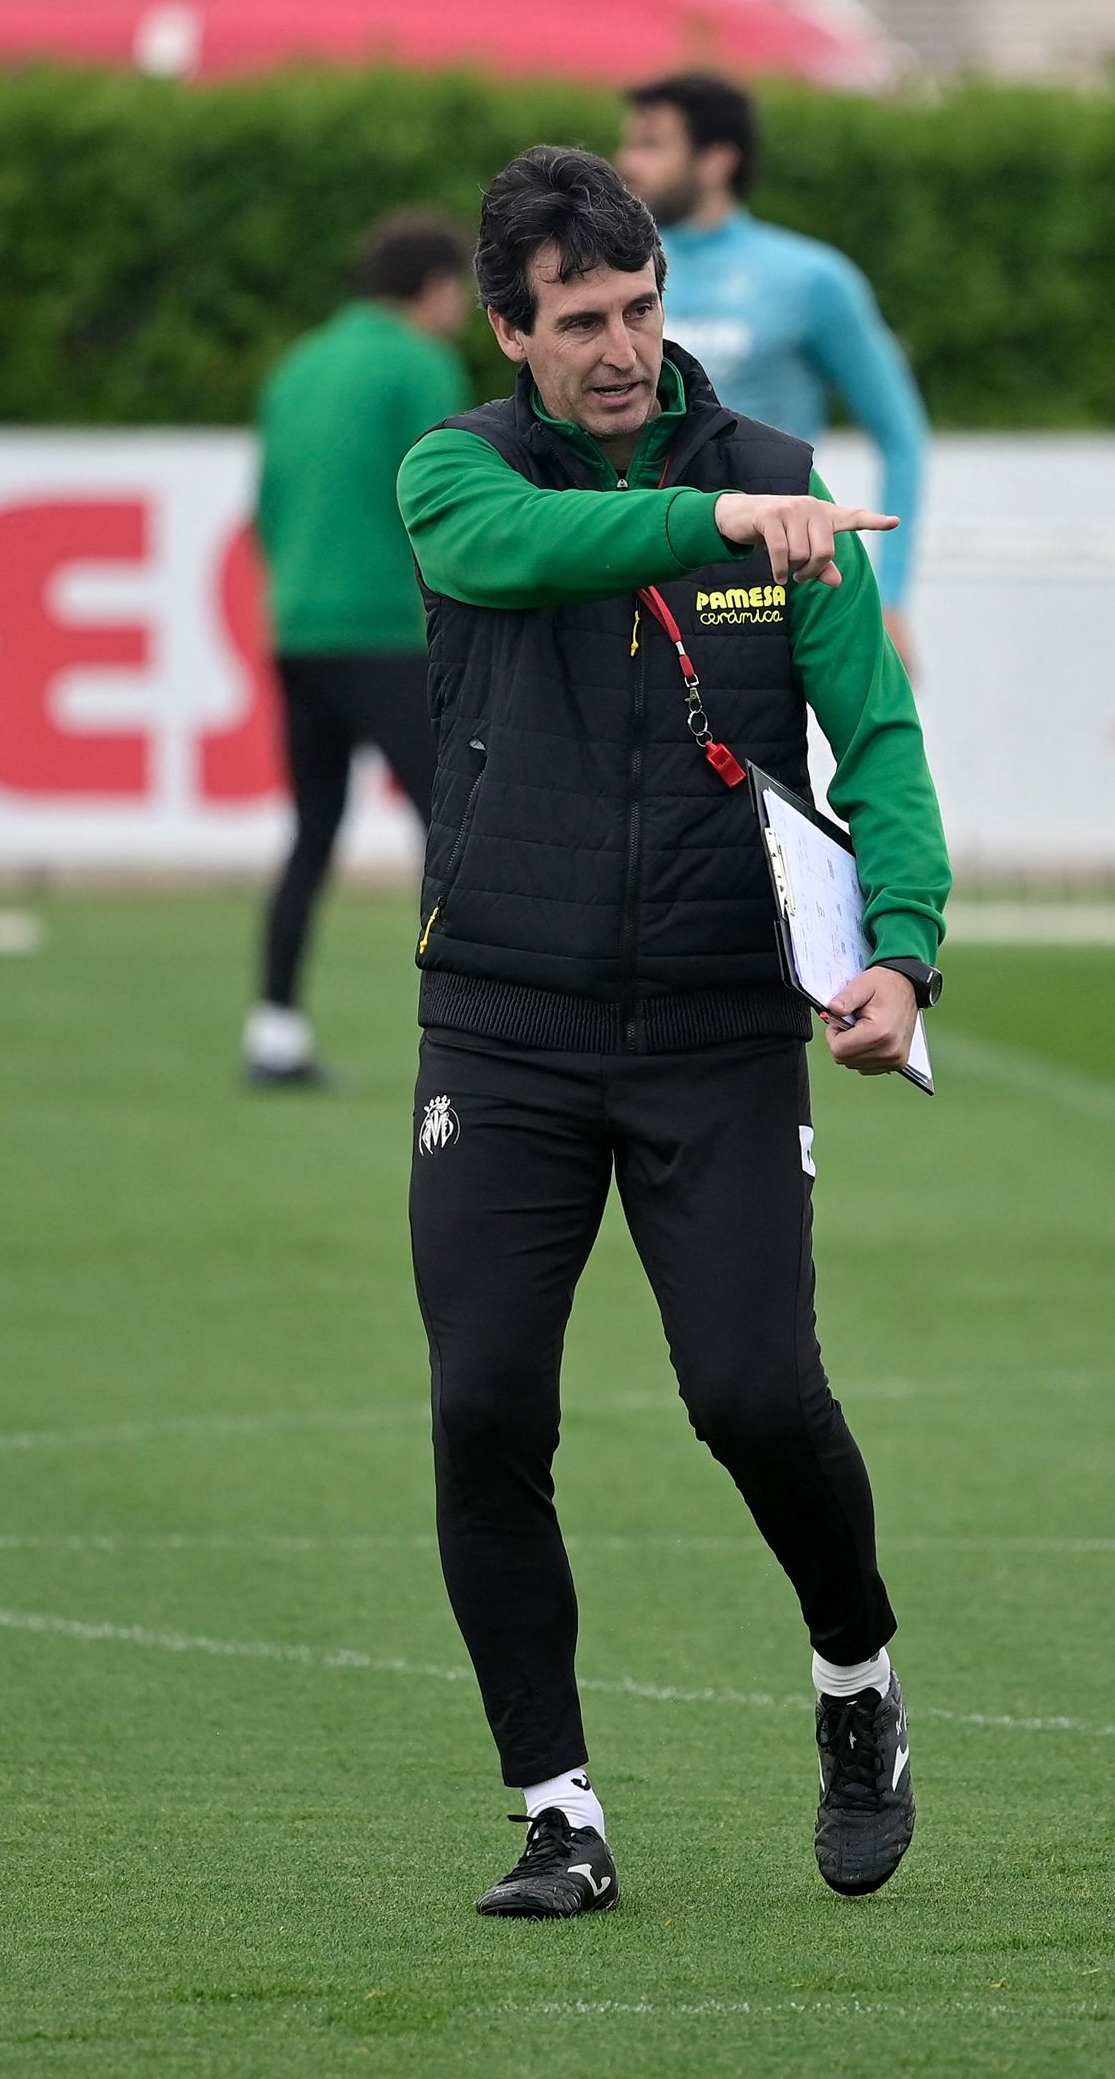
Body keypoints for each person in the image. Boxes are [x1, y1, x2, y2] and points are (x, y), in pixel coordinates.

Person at [393, 144, 946, 1921]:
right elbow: (520, 551)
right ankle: (557, 1808)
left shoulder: (783, 487)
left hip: (717, 1024)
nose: (621, 348)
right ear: (512, 331)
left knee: (756, 1398)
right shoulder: (457, 473)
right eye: (579, 322)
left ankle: (857, 1685)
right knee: (485, 1408)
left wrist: (907, 955)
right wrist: (710, 523)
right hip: (503, 1024)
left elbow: (881, 744)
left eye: (640, 310)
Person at [239, 211, 473, 1089]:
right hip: (385, 629)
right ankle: (465, 1030)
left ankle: (273, 1031)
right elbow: (451, 500)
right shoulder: (419, 362)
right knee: (455, 825)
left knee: (311, 832)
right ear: (438, 289)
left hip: (298, 627)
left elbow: (262, 503)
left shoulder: (297, 364)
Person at [613, 71, 930, 660]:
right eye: (628, 143)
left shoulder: (811, 278)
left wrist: (893, 598)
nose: (626, 162)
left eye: (652, 144)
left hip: (758, 582)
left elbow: (901, 436)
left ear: (716, 161)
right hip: (629, 564)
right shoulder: (613, 275)